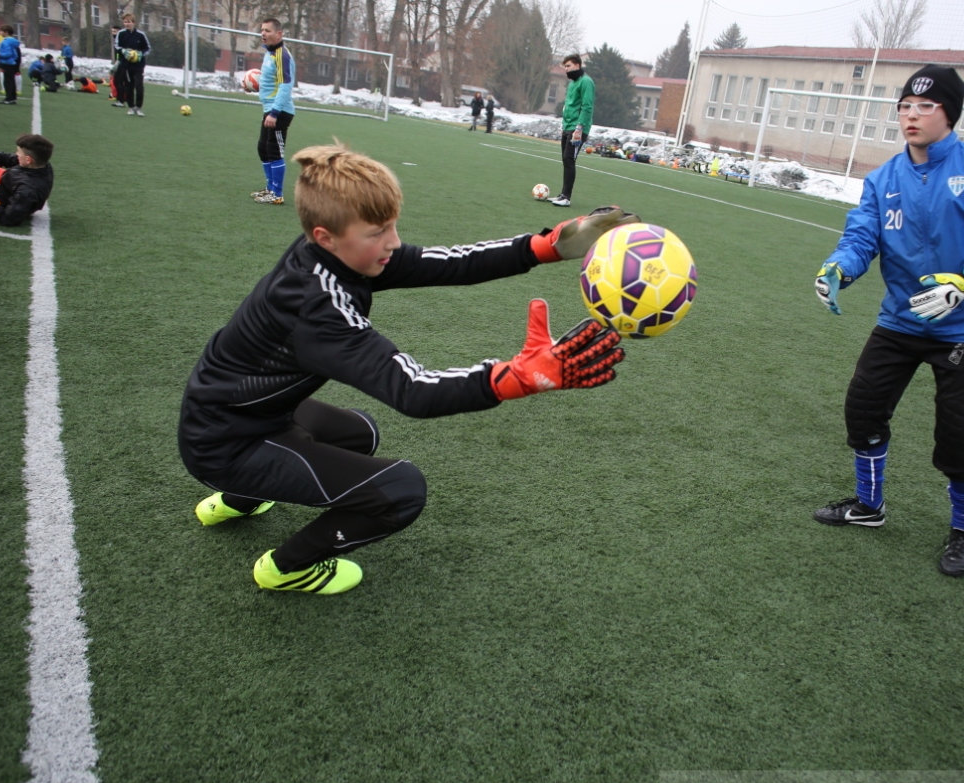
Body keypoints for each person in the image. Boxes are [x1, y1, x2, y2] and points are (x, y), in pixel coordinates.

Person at [180, 143, 638, 595]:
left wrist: (544, 247)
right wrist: (514, 377)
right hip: (224, 444)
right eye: (378, 232)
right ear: (325, 235)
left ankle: (239, 500)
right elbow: (413, 391)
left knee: (359, 434)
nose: (393, 242)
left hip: (244, 414)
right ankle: (285, 568)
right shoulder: (317, 308)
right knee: (400, 490)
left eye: (392, 226)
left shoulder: (329, 256)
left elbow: (449, 263)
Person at [810, 65, 964, 578]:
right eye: (905, 107)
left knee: (959, 438)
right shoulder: (883, 178)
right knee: (863, 411)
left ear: (949, 113)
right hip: (900, 321)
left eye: (926, 107)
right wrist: (838, 268)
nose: (912, 115)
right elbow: (861, 237)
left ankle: (963, 531)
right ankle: (869, 507)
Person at [252, 18, 295, 205]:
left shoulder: (282, 55)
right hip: (269, 109)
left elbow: (286, 85)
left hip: (280, 111)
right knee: (263, 148)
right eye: (262, 30)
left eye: (268, 30)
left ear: (279, 34)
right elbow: (272, 81)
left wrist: (275, 112)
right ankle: (270, 189)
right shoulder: (269, 54)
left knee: (274, 150)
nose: (263, 33)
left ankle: (277, 193)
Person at [551, 54, 594, 208]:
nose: (566, 70)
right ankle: (562, 194)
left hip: (577, 129)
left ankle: (567, 197)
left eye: (568, 66)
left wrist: (579, 128)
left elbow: (587, 106)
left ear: (577, 65)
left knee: (569, 159)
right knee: (565, 159)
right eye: (565, 67)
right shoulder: (573, 83)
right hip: (567, 126)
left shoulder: (586, 82)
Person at [114, 13, 150, 115]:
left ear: (133, 22)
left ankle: (138, 107)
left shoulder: (141, 35)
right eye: (125, 22)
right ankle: (131, 107)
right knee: (129, 86)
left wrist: (140, 54)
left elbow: (148, 48)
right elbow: (116, 46)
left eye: (129, 22)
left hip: (138, 66)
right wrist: (123, 51)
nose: (127, 24)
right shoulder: (121, 34)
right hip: (126, 65)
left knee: (139, 86)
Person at [0, 25, 22, 105]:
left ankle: (9, 98)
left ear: (6, 32)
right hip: (12, 63)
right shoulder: (13, 42)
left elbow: (8, 53)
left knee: (8, 82)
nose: (0, 33)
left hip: (7, 63)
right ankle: (13, 98)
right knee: (11, 81)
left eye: (1, 31)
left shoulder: (6, 42)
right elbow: (15, 54)